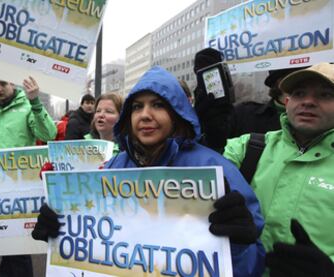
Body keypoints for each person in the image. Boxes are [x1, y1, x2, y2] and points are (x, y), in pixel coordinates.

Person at [33, 67, 266, 277]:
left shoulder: (215, 169)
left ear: (177, 114)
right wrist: (61, 233)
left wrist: (237, 246)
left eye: (158, 105)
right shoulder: (116, 166)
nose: (145, 114)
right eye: (137, 106)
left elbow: (251, 264)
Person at [223, 62, 334, 277]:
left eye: (325, 95)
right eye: (299, 93)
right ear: (287, 101)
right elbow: (195, 176)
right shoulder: (249, 147)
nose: (308, 102)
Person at [0, 76, 57, 277]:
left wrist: (36, 102)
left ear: (12, 84)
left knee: (18, 249)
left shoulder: (28, 107)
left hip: (19, 188)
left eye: (2, 84)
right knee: (4, 246)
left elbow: (48, 133)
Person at [193, 47, 305, 152]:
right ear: (278, 82)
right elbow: (214, 152)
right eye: (295, 77)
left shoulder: (319, 120)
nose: (308, 102)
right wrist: (211, 122)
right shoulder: (244, 115)